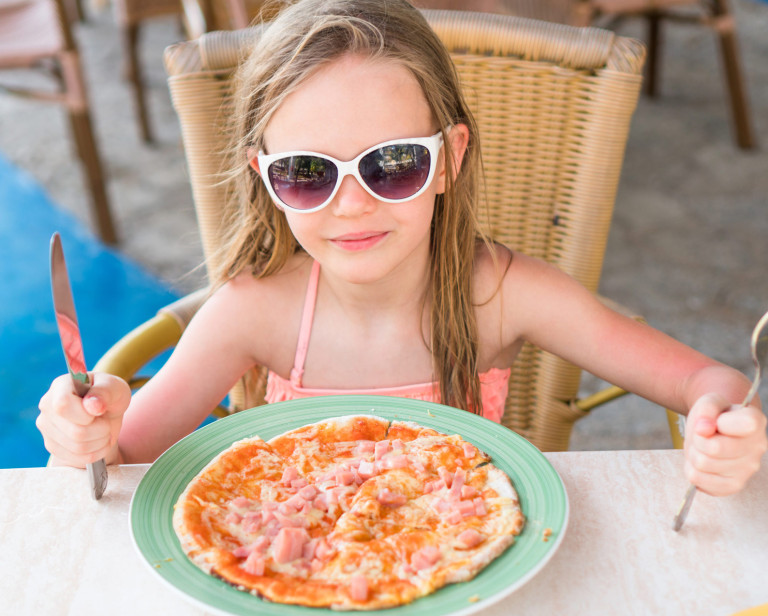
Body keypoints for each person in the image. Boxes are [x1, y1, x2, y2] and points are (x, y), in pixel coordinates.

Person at [37, 0, 765, 497]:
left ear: (450, 158)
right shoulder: (252, 311)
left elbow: (714, 382)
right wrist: (86, 435)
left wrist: (721, 426)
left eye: (392, 164)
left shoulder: (502, 295)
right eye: (307, 172)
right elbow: (118, 462)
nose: (353, 203)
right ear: (265, 178)